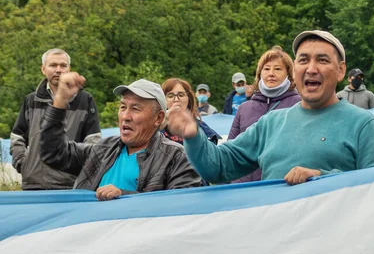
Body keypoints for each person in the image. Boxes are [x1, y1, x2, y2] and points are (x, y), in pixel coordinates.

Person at [169, 30, 374, 185]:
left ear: (341, 71)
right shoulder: (271, 123)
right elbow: (217, 167)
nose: (311, 68)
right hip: (274, 244)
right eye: (303, 60)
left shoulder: (364, 125)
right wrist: (193, 137)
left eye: (322, 60)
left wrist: (321, 178)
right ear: (295, 70)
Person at [39, 75, 203, 201]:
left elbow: (181, 209)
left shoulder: (176, 157)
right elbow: (52, 152)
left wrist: (123, 197)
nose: (125, 116)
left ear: (158, 118)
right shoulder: (103, 149)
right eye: (123, 107)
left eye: (135, 109)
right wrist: (59, 103)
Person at [10, 48, 101, 190]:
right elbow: (17, 137)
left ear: (69, 69)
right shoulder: (31, 100)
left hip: (69, 184)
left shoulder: (85, 100)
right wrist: (23, 163)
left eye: (63, 65)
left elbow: (93, 140)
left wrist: (81, 170)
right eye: (53, 65)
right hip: (34, 184)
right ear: (43, 69)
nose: (58, 70)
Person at [229, 46, 302, 183]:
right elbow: (230, 153)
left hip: (282, 187)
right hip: (244, 188)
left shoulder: (301, 105)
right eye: (267, 68)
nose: (271, 73)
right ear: (259, 73)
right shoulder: (244, 109)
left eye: (278, 69)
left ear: (289, 74)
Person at [162, 78, 221, 145]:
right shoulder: (155, 126)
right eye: (170, 96)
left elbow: (209, 153)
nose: (176, 99)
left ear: (188, 99)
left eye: (181, 95)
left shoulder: (203, 129)